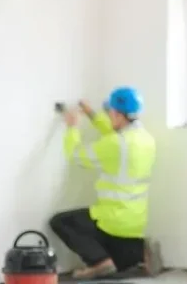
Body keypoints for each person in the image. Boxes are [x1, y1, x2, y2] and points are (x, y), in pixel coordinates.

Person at [49, 87, 157, 279]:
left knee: (60, 221)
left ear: (117, 114)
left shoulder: (115, 144)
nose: (107, 116)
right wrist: (91, 114)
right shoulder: (145, 139)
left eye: (109, 112)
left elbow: (76, 157)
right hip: (136, 223)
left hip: (112, 219)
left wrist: (72, 127)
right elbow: (112, 131)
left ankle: (99, 262)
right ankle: (138, 256)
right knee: (123, 263)